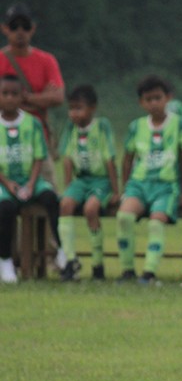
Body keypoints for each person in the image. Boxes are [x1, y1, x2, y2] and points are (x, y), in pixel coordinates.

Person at [115, 74, 182, 284]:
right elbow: (127, 159)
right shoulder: (136, 126)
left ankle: (149, 273)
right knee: (124, 218)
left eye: (158, 98)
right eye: (148, 99)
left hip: (166, 186)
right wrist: (125, 189)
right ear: (141, 102)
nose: (154, 103)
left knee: (156, 223)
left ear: (168, 98)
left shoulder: (179, 124)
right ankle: (127, 271)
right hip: (139, 185)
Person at [56, 84, 119, 281]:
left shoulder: (102, 126)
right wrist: (68, 188)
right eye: (71, 108)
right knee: (65, 204)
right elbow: (66, 158)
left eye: (79, 108)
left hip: (100, 181)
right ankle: (70, 261)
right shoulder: (70, 128)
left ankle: (98, 264)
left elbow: (110, 159)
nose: (74, 113)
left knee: (91, 209)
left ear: (92, 107)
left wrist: (116, 190)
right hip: (80, 180)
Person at [0, 74, 58, 284]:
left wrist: (32, 184)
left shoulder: (32, 123)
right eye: (4, 94)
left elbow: (38, 157)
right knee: (5, 209)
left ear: (22, 96)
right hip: (4, 183)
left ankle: (59, 252)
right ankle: (5, 260)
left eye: (14, 94)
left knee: (51, 198)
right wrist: (8, 183)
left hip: (30, 179)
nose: (9, 98)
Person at [0, 2, 63, 186]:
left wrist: (21, 99)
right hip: (3, 142)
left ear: (33, 29)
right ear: (5, 29)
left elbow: (58, 97)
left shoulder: (46, 61)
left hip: (38, 142)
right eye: (14, 26)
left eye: (25, 26)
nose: (20, 31)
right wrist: (40, 99)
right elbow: (49, 98)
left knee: (46, 197)